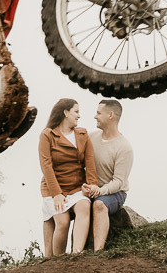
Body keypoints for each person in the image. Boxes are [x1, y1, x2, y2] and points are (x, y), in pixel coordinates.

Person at [38, 99, 97, 256]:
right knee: (63, 223)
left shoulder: (83, 134)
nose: (79, 116)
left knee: (84, 206)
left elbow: (90, 163)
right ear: (65, 112)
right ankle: (58, 261)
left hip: (77, 186)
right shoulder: (47, 135)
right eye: (76, 111)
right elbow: (46, 167)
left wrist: (92, 185)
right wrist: (56, 194)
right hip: (54, 188)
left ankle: (76, 254)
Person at [78, 99, 134, 251]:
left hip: (115, 193)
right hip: (92, 188)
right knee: (75, 205)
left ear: (110, 115)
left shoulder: (124, 147)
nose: (95, 116)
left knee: (99, 205)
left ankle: (98, 252)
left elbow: (118, 182)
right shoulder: (91, 137)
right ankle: (70, 253)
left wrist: (99, 191)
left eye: (98, 113)